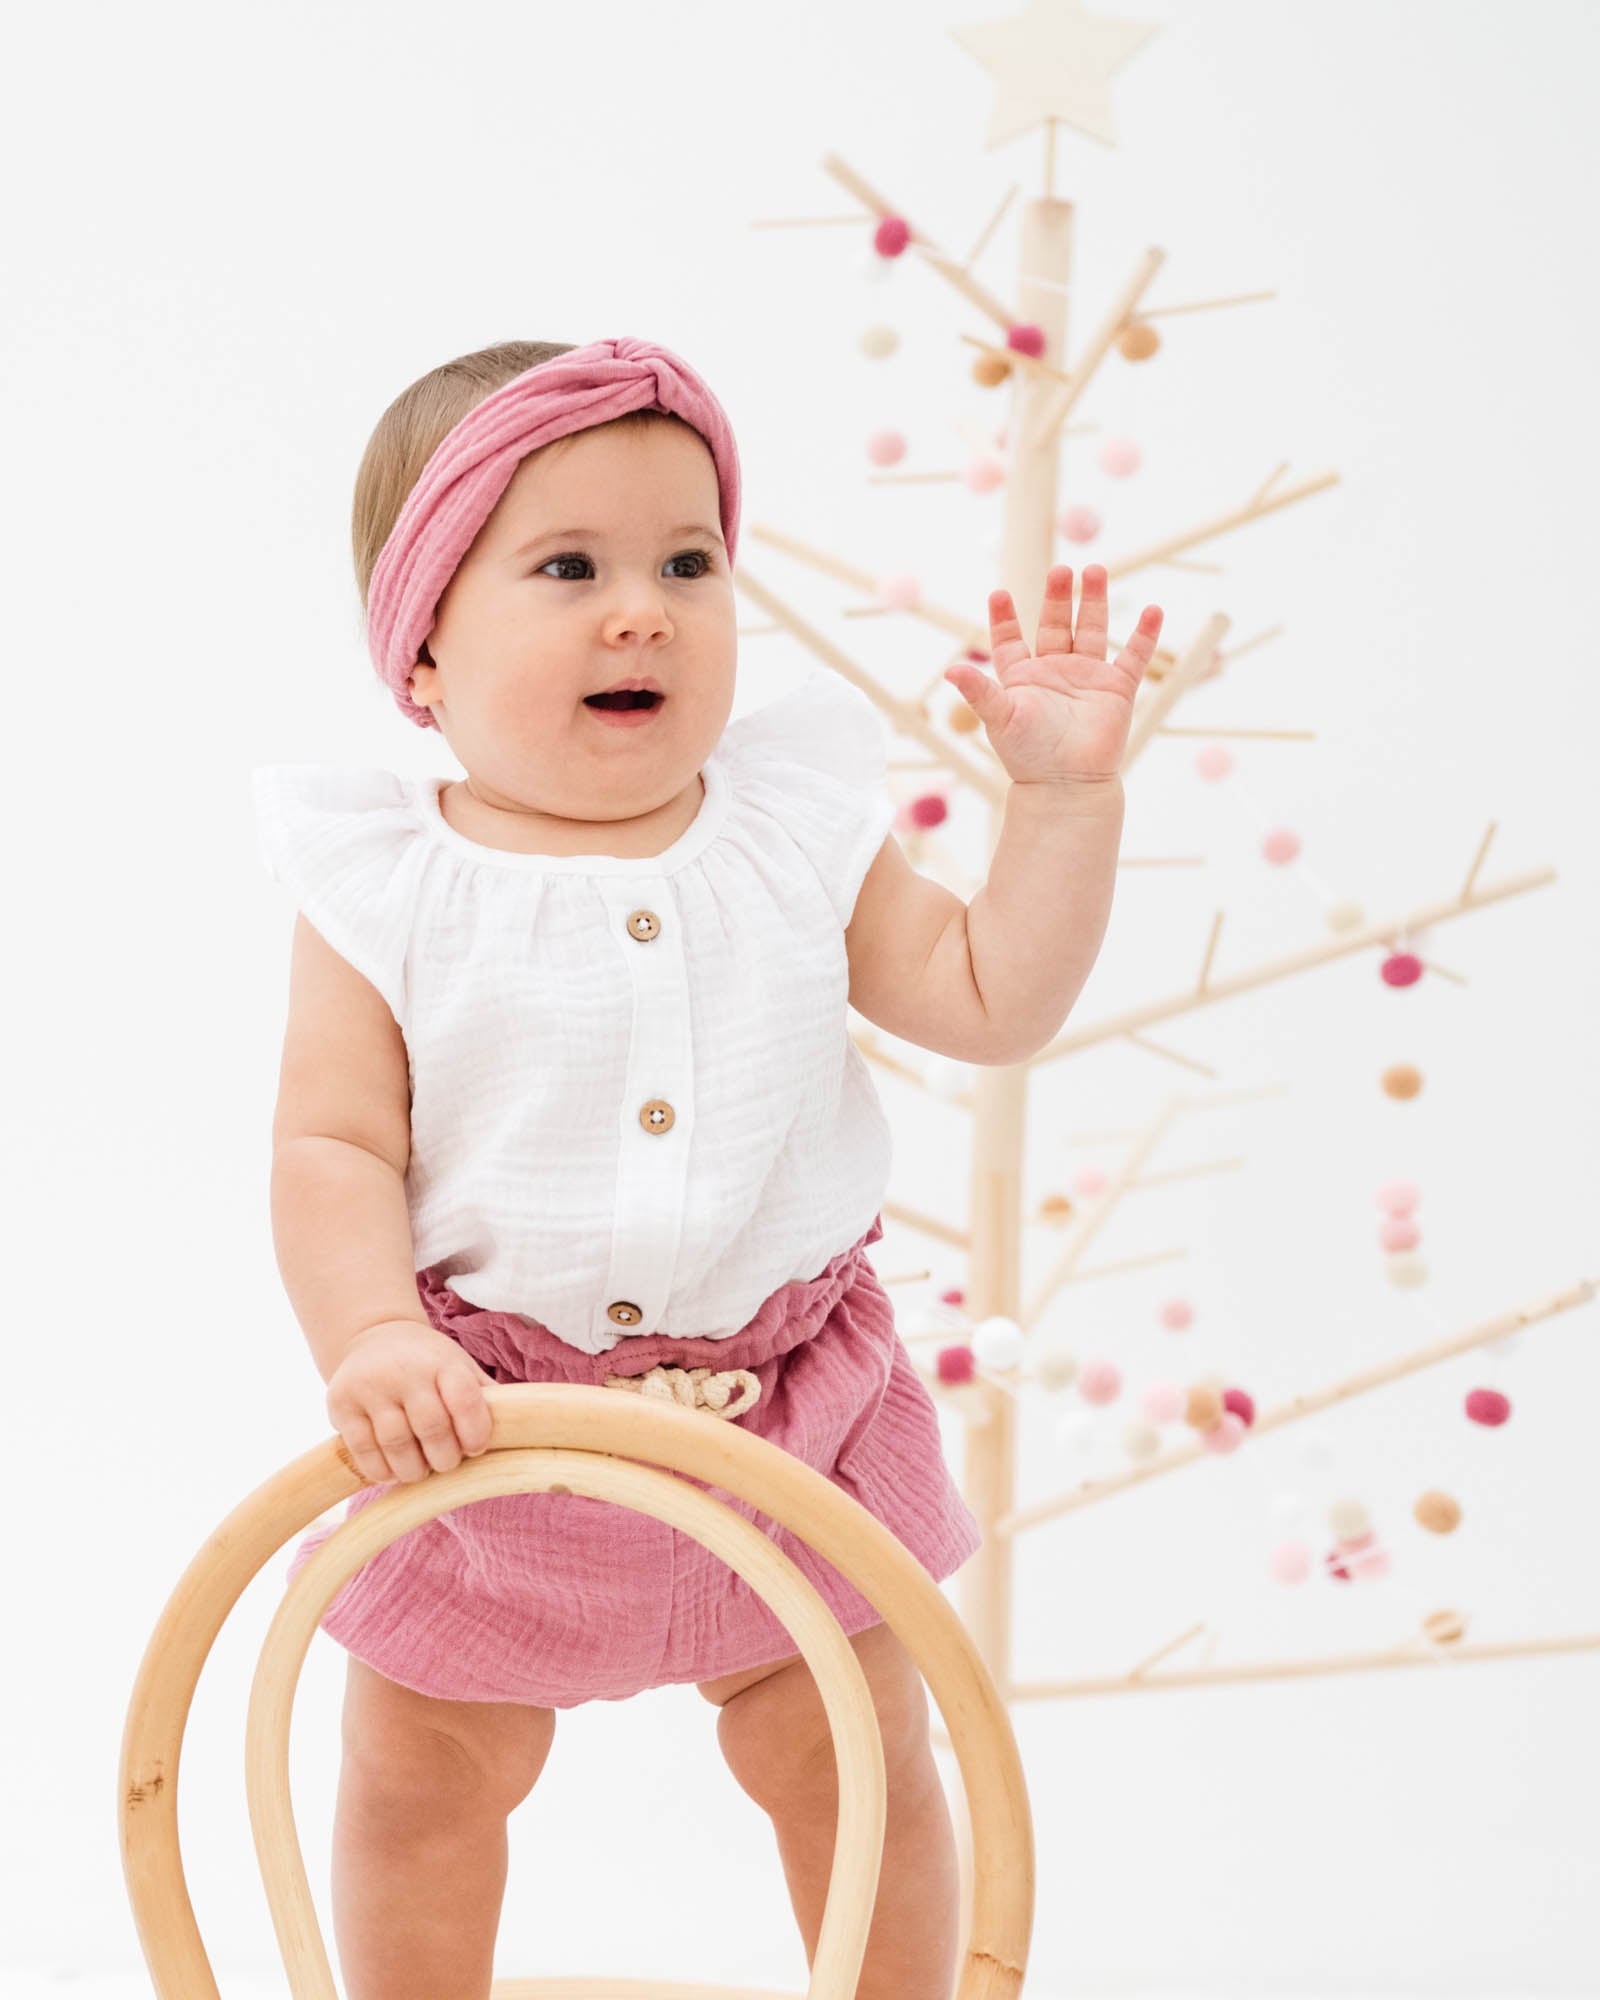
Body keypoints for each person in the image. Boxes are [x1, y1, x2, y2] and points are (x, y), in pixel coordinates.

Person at [254, 332, 1163, 2000]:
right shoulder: (392, 888)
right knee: (418, 1779)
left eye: (690, 559)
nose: (643, 609)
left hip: (791, 1411)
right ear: (425, 646)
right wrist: (372, 1337)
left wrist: (1059, 807)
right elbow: (331, 1144)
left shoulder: (792, 831)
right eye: (568, 567)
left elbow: (986, 997)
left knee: (857, 1748)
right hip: (495, 1425)